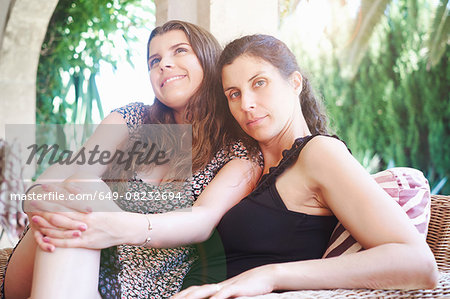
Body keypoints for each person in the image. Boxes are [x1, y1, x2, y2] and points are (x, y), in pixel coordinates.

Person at [2, 21, 261, 299]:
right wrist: (35, 199)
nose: (164, 64)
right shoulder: (133, 118)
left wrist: (117, 226)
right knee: (85, 187)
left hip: (138, 285)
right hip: (51, 254)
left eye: (180, 51)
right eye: (154, 60)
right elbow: (75, 170)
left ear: (208, 59)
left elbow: (201, 220)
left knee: (88, 194)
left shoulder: (239, 151)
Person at [172, 34, 439, 299]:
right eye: (234, 94)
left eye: (260, 83)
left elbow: (417, 263)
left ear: (295, 82)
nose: (246, 104)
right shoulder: (248, 164)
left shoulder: (318, 153)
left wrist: (269, 275)